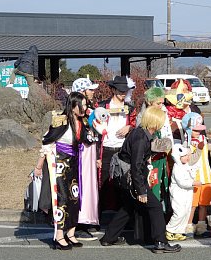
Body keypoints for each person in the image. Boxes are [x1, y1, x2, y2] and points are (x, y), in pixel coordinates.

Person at [99, 106, 182, 253]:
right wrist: (141, 191)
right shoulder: (141, 138)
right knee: (155, 207)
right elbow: (136, 167)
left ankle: (109, 237)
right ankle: (161, 242)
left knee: (129, 207)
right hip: (130, 178)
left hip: (124, 177)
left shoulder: (141, 133)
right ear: (155, 121)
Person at [36, 92, 96, 250]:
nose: (84, 108)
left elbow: (88, 140)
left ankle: (71, 232)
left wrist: (95, 126)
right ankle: (59, 235)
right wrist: (39, 165)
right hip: (60, 163)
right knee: (61, 199)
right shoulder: (60, 121)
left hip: (75, 164)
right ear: (73, 105)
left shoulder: (82, 122)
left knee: (75, 198)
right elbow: (47, 141)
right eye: (81, 105)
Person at [182, 112, 211, 237]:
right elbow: (190, 160)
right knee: (193, 204)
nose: (198, 132)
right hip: (193, 177)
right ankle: (188, 226)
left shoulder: (204, 140)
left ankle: (201, 226)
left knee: (204, 204)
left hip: (206, 176)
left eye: (200, 130)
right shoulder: (186, 143)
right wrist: (199, 148)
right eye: (195, 130)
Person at [97, 76, 137, 212]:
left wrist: (129, 128)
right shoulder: (101, 106)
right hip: (106, 148)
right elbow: (93, 125)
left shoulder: (130, 108)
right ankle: (101, 215)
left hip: (122, 149)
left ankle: (121, 216)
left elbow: (135, 125)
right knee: (103, 181)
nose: (122, 93)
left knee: (123, 182)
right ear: (113, 90)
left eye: (125, 91)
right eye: (120, 90)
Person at [71, 77, 100, 241]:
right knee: (81, 185)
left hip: (90, 153)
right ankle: (79, 222)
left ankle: (87, 219)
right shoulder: (76, 113)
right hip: (81, 154)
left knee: (89, 186)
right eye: (90, 89)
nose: (93, 92)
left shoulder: (90, 110)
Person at [165, 144, 200, 241]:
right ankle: (169, 229)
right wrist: (193, 183)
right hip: (178, 193)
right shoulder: (177, 167)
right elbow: (181, 182)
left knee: (186, 212)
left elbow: (190, 175)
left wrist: (194, 170)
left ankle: (179, 231)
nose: (187, 158)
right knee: (179, 212)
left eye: (188, 155)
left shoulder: (186, 166)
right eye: (185, 156)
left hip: (187, 193)